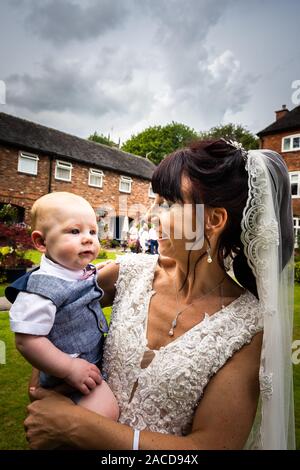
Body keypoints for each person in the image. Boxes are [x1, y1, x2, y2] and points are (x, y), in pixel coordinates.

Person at [24, 140, 295, 450]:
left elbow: (210, 446)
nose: (150, 215)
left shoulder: (247, 327)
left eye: (167, 203)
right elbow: (51, 308)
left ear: (214, 220)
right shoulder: (127, 273)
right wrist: (47, 386)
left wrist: (77, 425)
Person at [6, 192, 119, 419]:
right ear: (41, 242)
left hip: (90, 361)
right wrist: (69, 368)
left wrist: (97, 271)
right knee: (106, 414)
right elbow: (27, 340)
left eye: (93, 232)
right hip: (67, 372)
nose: (88, 238)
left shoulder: (72, 270)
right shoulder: (41, 291)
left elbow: (82, 281)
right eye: (75, 231)